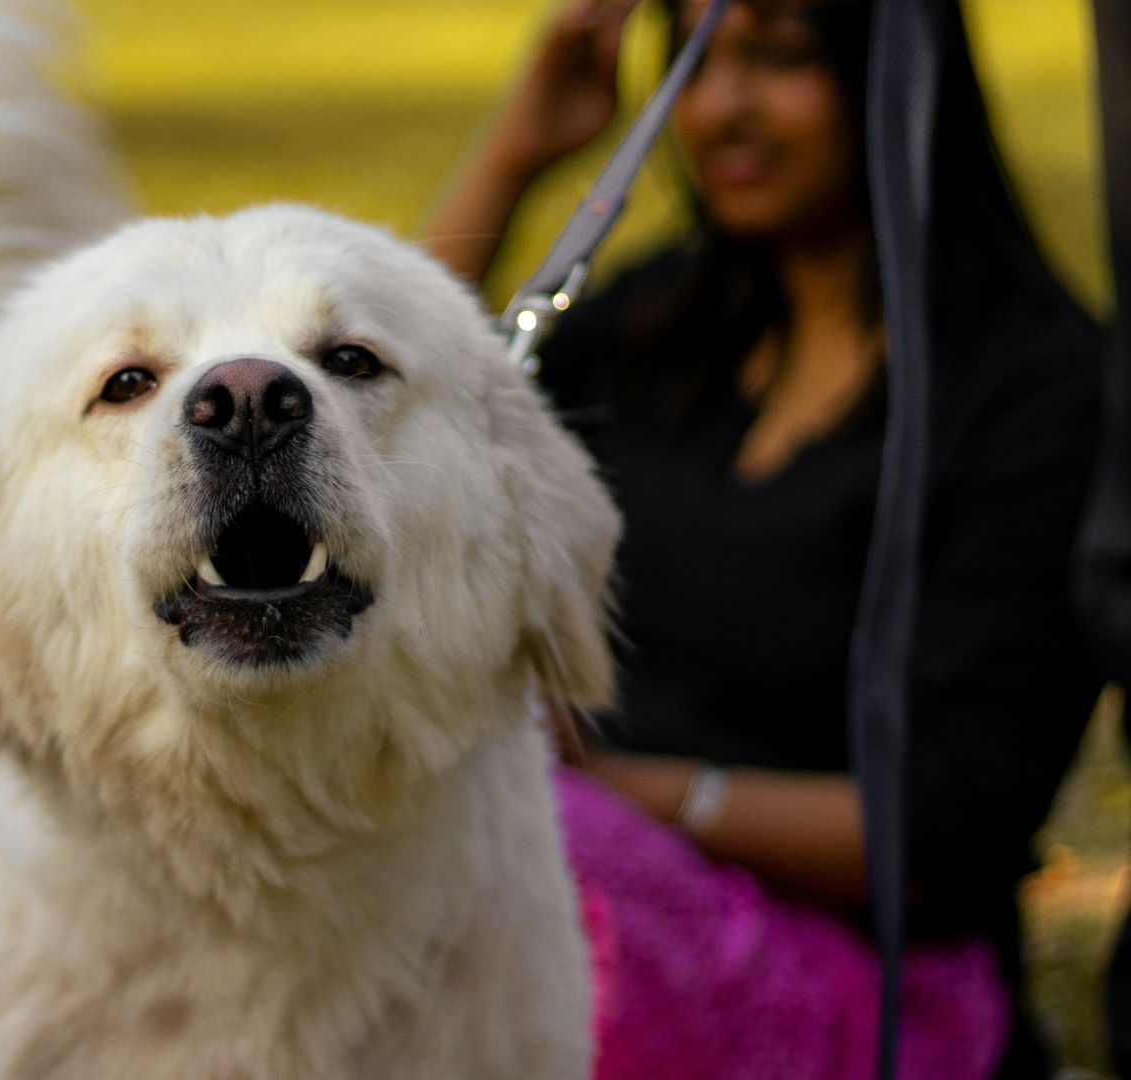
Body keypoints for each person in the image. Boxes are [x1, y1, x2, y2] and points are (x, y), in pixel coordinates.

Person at [428, 0, 1102, 1076]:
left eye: (781, 57)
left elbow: (936, 834)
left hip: (874, 981)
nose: (724, 109)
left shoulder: (1031, 393)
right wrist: (518, 151)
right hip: (591, 871)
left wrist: (619, 789)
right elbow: (393, 425)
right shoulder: (669, 326)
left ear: (887, 76)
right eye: (696, 65)